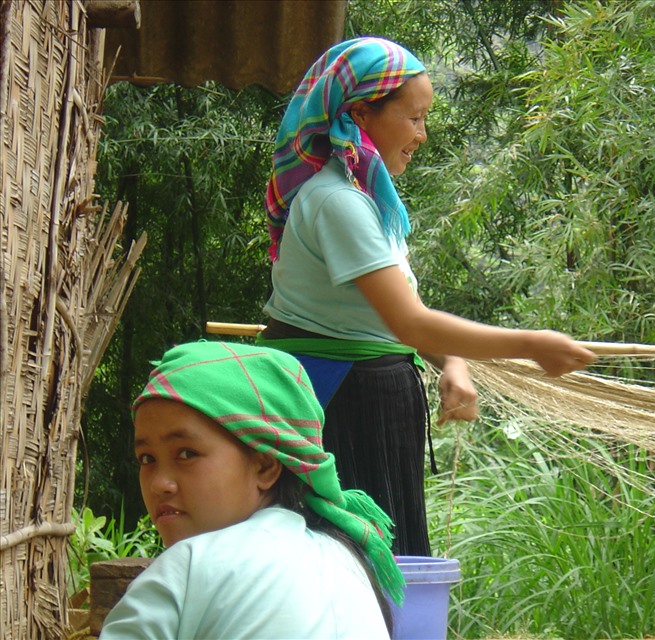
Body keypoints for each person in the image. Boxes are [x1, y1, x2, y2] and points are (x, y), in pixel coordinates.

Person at [258, 36, 597, 557]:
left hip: (363, 393)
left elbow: (390, 319)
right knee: (348, 563)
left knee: (375, 559)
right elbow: (410, 324)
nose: (422, 134)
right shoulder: (337, 202)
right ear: (360, 114)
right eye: (413, 118)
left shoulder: (365, 197)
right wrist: (531, 344)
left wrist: (454, 362)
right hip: (337, 401)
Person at [99, 341, 402, 639]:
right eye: (147, 459)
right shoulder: (345, 560)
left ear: (265, 467)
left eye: (187, 454)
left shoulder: (187, 569)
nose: (159, 483)